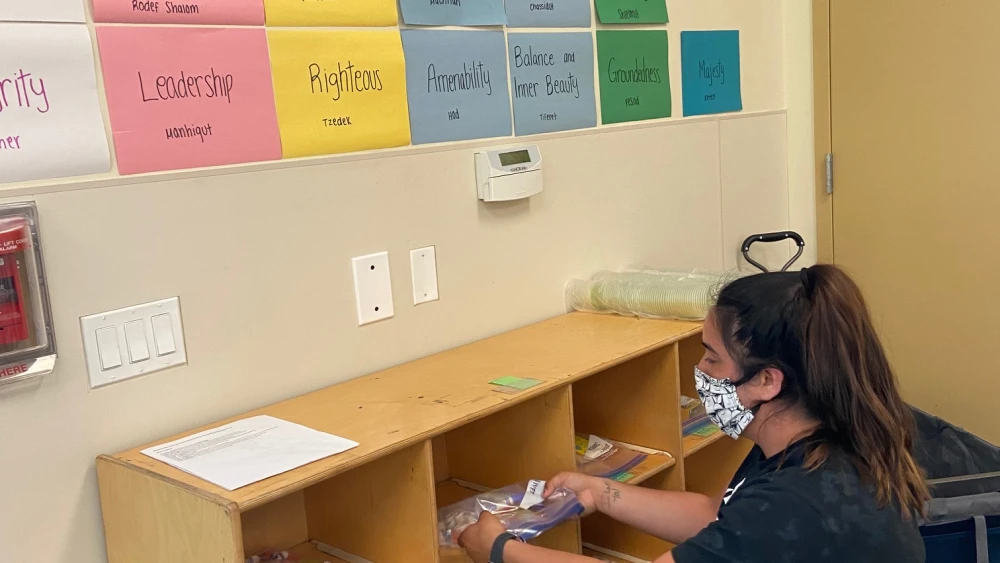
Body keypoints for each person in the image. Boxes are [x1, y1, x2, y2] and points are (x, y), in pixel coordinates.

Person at [458, 265, 929, 563]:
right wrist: (601, 492)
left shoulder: (799, 497)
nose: (700, 372)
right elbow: (716, 516)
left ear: (768, 381)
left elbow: (747, 525)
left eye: (711, 357)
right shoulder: (812, 439)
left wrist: (501, 551)